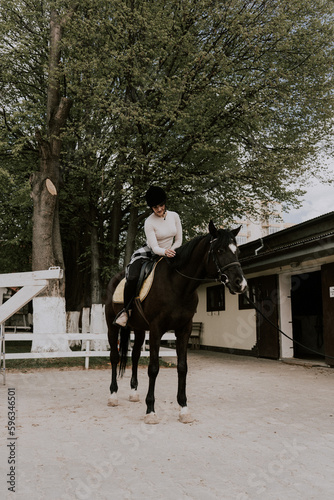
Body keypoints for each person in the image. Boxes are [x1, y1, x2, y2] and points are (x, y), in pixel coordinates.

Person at [114, 186, 182, 327]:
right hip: (149, 253)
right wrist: (165, 252)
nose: (159, 209)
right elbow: (155, 247)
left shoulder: (175, 216)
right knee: (132, 277)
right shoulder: (149, 222)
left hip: (172, 251)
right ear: (151, 208)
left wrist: (171, 251)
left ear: (165, 203)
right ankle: (126, 311)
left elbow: (179, 240)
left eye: (161, 205)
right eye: (155, 207)